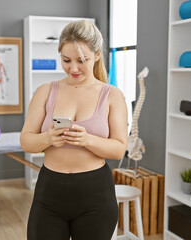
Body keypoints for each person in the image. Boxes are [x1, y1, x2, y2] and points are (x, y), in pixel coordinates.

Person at [20, 20, 128, 240]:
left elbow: (118, 150)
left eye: (82, 60)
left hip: (95, 196)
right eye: (66, 60)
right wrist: (49, 138)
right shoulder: (45, 91)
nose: (74, 68)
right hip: (49, 192)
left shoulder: (112, 95)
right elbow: (26, 141)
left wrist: (87, 140)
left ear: (97, 55)